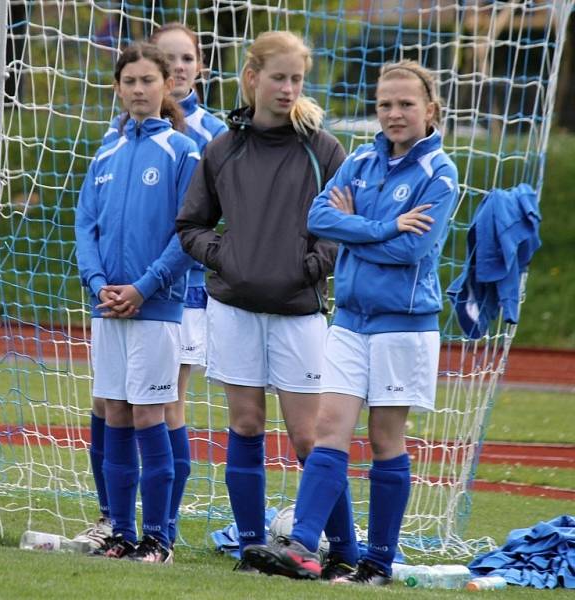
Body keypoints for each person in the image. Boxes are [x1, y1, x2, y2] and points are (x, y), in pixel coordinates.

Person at [241, 59, 459, 585]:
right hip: (350, 321)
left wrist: (356, 226)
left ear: (429, 110)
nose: (394, 114)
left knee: (385, 439)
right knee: (326, 428)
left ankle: (377, 563)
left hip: (403, 324)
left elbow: (413, 248)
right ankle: (304, 547)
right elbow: (319, 218)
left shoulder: (440, 173)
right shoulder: (360, 159)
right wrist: (381, 225)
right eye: (385, 104)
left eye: (406, 104)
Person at [176, 31, 347, 572]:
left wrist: (308, 267)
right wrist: (227, 257)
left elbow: (340, 230)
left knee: (308, 437)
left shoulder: (324, 149)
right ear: (252, 77)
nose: (288, 88)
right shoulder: (222, 148)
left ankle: (342, 552)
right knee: (247, 424)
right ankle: (252, 548)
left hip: (299, 312)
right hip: (233, 309)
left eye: (296, 79)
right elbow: (190, 226)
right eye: (278, 77)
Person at [76, 23, 227, 553]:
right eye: (130, 81)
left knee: (151, 414)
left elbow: (186, 234)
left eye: (148, 80)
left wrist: (142, 287)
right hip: (107, 307)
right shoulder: (105, 153)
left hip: (159, 307)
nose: (139, 90)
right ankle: (119, 530)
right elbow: (85, 226)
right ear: (117, 87)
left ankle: (158, 538)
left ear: (166, 86)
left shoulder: (184, 152)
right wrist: (98, 283)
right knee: (113, 411)